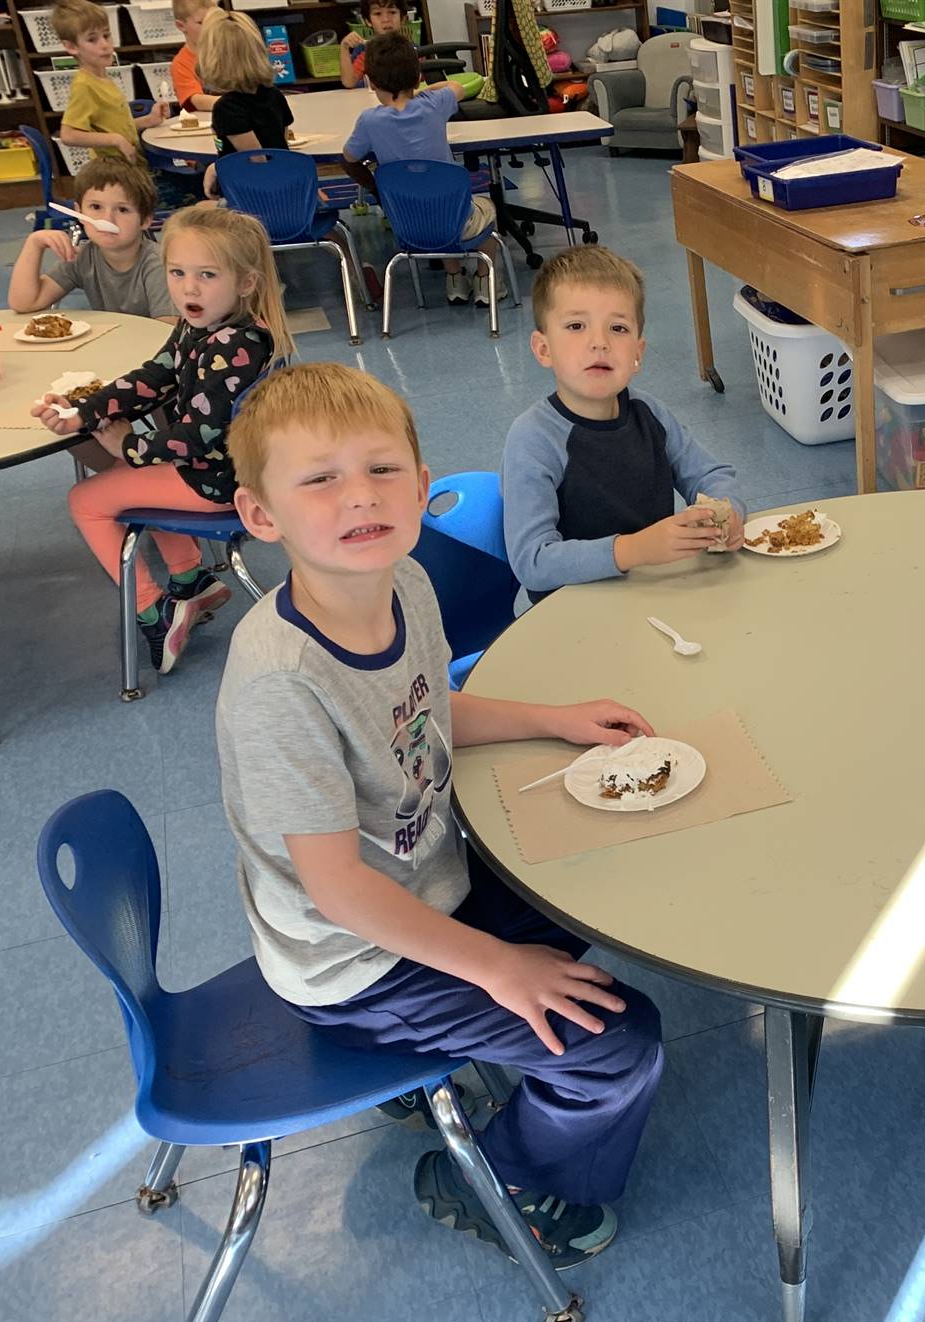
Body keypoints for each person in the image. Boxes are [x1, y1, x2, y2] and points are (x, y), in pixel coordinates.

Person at [217, 363, 664, 1265]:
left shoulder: (404, 585)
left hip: (429, 883)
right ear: (262, 515)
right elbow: (339, 894)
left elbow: (418, 714)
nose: (359, 498)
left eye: (383, 471)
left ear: (421, 489)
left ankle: (444, 1059)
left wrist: (552, 720)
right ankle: (501, 1182)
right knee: (620, 1047)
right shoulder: (280, 685)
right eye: (319, 479)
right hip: (354, 963)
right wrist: (498, 967)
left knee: (602, 859)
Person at [31, 207, 292, 674]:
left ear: (246, 283)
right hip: (213, 469)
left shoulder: (233, 346)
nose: (188, 288)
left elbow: (194, 437)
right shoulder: (204, 327)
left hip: (216, 479)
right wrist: (88, 412)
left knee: (85, 501)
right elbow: (155, 376)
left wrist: (128, 445)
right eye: (177, 272)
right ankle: (192, 583)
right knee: (130, 474)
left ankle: (153, 610)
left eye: (207, 275)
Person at [501, 246, 745, 607]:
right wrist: (633, 549)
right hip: (572, 616)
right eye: (575, 326)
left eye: (618, 328)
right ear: (543, 349)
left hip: (654, 597)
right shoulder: (533, 439)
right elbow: (533, 562)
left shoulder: (650, 413)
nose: (599, 342)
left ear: (638, 354)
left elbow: (712, 474)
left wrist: (729, 511)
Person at [341, 32, 498, 306]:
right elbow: (455, 86)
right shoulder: (434, 105)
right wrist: (424, 90)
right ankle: (485, 281)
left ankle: (454, 280)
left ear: (371, 80)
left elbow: (349, 156)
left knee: (428, 208)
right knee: (486, 209)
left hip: (407, 225)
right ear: (417, 77)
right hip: (455, 221)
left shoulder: (368, 120)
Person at [7, 153, 175, 322]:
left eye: (122, 210)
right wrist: (34, 244)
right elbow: (24, 303)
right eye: (96, 207)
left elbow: (168, 332)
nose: (107, 219)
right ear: (79, 212)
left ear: (145, 220)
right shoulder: (82, 257)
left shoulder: (158, 265)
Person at [52, 1, 170, 167]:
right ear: (71, 46)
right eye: (92, 39)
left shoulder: (102, 78)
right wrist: (115, 140)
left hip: (131, 164)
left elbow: (116, 127)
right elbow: (69, 135)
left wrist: (149, 120)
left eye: (106, 35)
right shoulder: (84, 86)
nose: (105, 45)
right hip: (116, 171)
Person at [196, 8, 292, 199]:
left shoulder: (227, 108)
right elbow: (281, 149)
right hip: (285, 189)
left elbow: (257, 161)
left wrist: (216, 168)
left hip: (253, 198)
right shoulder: (274, 95)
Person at [340, 0, 411, 89]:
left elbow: (420, 82)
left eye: (392, 12)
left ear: (403, 18)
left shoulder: (412, 50)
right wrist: (344, 47)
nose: (386, 19)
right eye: (378, 14)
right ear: (368, 21)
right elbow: (349, 82)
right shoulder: (366, 51)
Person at [169, 0, 220, 114]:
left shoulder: (228, 50)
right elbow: (196, 100)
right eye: (201, 23)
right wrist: (236, 104)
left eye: (214, 22)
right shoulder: (180, 64)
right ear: (181, 26)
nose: (210, 28)